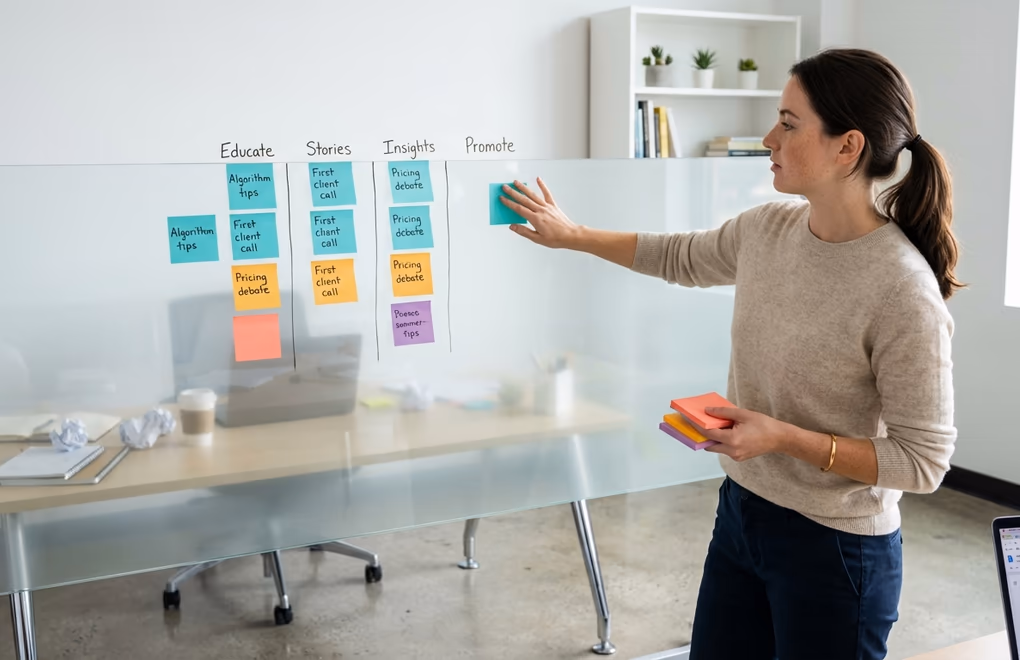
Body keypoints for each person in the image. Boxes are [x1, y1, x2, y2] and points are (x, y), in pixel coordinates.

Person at [499, 48, 959, 660]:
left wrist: (780, 437)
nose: (770, 138)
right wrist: (572, 235)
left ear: (847, 147)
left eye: (790, 124)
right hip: (743, 514)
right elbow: (677, 256)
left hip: (838, 549)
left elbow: (922, 463)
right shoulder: (769, 229)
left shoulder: (903, 290)